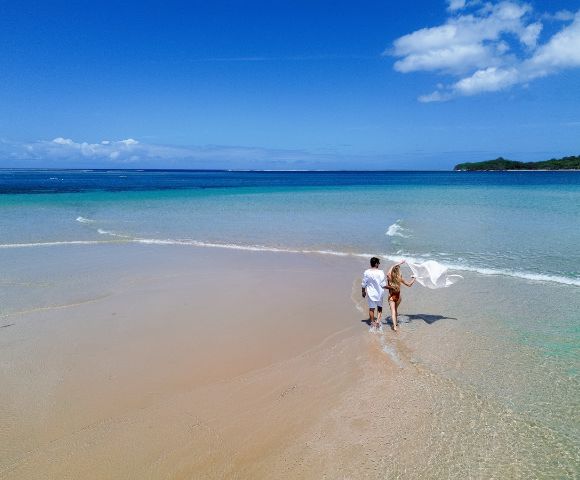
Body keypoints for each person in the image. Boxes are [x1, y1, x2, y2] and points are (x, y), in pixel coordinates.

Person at [386, 260, 416, 331]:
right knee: (395, 310)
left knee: (393, 311)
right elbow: (409, 285)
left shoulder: (390, 278)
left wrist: (398, 263)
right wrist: (415, 278)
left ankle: (395, 327)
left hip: (391, 297)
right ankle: (396, 323)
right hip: (398, 297)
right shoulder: (400, 279)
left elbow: (389, 272)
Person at [361, 257, 386, 330]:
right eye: (378, 263)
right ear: (376, 264)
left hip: (371, 293)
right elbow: (383, 284)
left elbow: (363, 283)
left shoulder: (367, 272)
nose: (379, 264)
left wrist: (363, 291)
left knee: (371, 309)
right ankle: (378, 321)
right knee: (380, 308)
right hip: (380, 293)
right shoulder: (381, 272)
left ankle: (372, 323)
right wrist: (391, 288)